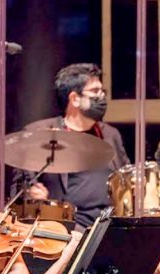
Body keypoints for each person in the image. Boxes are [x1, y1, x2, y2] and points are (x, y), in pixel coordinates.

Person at [15, 62, 130, 229]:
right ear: (74, 99)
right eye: (95, 91)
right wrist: (33, 195)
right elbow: (20, 189)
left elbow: (125, 178)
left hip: (110, 222)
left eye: (102, 91)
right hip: (66, 224)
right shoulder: (41, 133)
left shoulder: (111, 135)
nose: (102, 97)